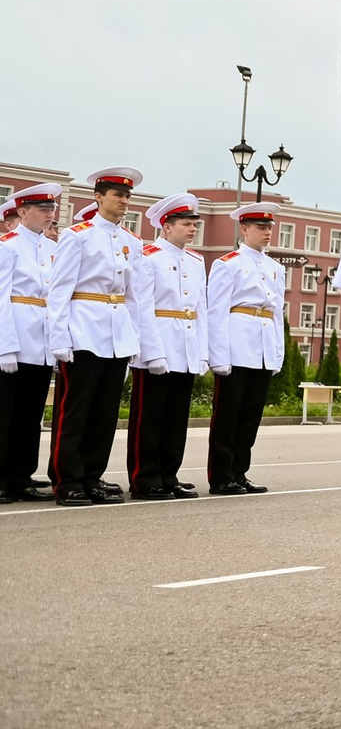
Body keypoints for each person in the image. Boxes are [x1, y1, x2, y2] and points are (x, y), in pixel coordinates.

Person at [46, 168, 147, 505]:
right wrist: (59, 338)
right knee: (75, 409)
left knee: (105, 412)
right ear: (99, 197)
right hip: (84, 329)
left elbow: (134, 296)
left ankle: (92, 476)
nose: (124, 201)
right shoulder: (78, 235)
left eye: (127, 196)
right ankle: (67, 479)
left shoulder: (132, 242)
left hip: (117, 331)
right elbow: (59, 291)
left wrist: (136, 337)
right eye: (117, 195)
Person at [125, 194, 207, 500]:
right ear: (166, 226)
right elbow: (142, 307)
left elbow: (202, 310)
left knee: (176, 416)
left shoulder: (196, 261)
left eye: (194, 224)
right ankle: (144, 478)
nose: (192, 229)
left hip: (184, 346)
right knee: (150, 416)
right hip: (158, 344)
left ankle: (168, 474)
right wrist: (152, 352)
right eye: (185, 224)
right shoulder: (149, 256)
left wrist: (202, 353)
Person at [203, 201, 286, 495]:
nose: (267, 233)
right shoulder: (229, 264)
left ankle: (239, 471)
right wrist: (219, 355)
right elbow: (217, 311)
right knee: (228, 415)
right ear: (244, 229)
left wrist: (277, 354)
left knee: (250, 415)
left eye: (269, 228)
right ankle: (221, 475)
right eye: (261, 228)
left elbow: (277, 314)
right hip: (237, 345)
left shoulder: (275, 268)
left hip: (261, 347)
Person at [0, 186, 61, 502]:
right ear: (22, 212)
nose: (49, 214)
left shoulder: (53, 249)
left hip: (42, 340)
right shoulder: (7, 246)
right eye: (41, 208)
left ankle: (20, 477)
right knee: (3, 413)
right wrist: (4, 346)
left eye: (51, 209)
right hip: (15, 339)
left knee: (30, 414)